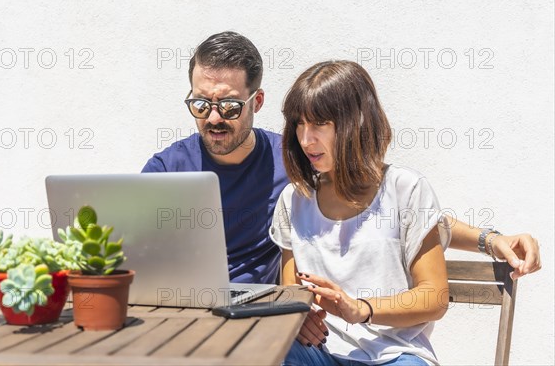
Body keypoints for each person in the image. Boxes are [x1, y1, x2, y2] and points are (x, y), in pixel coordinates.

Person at [141, 31, 541, 287]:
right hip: (180, 310)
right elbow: (132, 248)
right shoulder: (166, 169)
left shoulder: (294, 159)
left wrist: (491, 239)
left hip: (258, 316)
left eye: (228, 106)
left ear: (255, 101)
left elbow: (392, 204)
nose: (213, 118)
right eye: (200, 104)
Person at [272, 60, 449, 365]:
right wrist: (298, 315)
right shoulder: (294, 199)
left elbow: (435, 297)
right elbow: (292, 291)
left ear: (356, 123)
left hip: (394, 354)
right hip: (320, 352)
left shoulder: (407, 189)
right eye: (299, 124)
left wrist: (360, 309)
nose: (305, 139)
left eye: (319, 124)